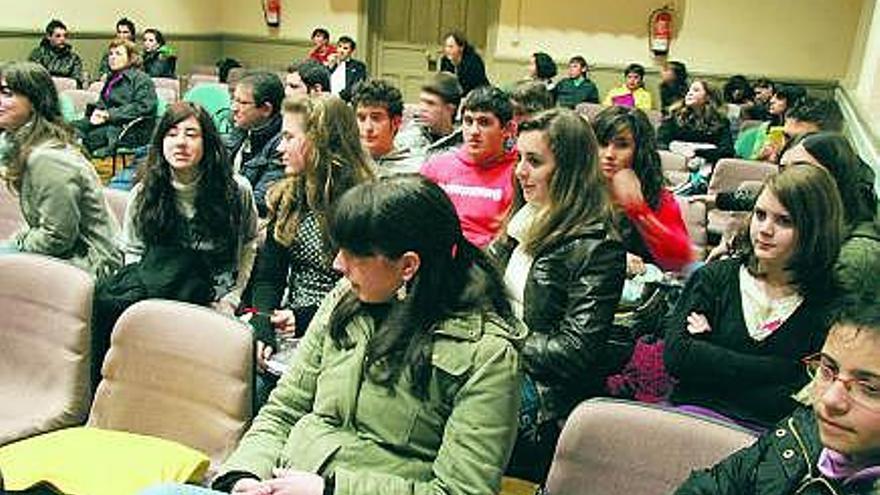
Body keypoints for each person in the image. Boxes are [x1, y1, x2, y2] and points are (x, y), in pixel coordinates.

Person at [144, 175, 524, 495]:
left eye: (354, 253)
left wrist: (330, 489)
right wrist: (244, 475)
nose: (337, 264)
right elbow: (285, 408)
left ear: (408, 265)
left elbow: (461, 491)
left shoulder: (487, 354)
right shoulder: (347, 298)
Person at [491, 109, 626, 482]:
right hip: (498, 358)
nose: (520, 171)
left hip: (544, 390)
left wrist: (498, 338)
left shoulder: (598, 246)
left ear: (568, 169)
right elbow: (478, 284)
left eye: (534, 161)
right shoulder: (524, 218)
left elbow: (575, 352)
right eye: (519, 157)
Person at [664, 164, 844, 429]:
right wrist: (780, 368)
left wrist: (710, 353)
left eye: (784, 221)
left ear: (814, 231)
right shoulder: (715, 278)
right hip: (692, 414)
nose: (765, 230)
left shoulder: (828, 303)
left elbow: (802, 395)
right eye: (760, 215)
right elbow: (677, 357)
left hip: (767, 436)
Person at [673, 291, 880, 495]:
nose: (830, 399)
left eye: (870, 388)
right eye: (827, 370)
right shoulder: (800, 431)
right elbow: (711, 486)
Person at [248, 95, 374, 403]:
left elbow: (364, 290)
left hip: (346, 324)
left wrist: (303, 318)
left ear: (320, 142)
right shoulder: (289, 196)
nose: (279, 148)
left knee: (267, 395)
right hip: (290, 324)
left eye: (290, 137)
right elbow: (269, 274)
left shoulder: (361, 203)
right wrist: (262, 322)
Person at [119, 101, 258, 315]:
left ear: (208, 142)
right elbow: (134, 252)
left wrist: (232, 298)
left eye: (191, 135)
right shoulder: (143, 193)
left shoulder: (237, 191)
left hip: (217, 296)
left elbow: (248, 244)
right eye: (171, 134)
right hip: (159, 291)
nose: (180, 143)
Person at [0, 62, 121, 276]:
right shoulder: (22, 142)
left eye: (7, 93)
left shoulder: (47, 157)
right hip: (66, 252)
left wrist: (18, 243)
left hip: (92, 263)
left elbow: (57, 238)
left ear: (35, 101)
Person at [594, 105, 694, 273]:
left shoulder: (658, 197)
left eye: (622, 145)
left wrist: (639, 211)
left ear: (639, 151)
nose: (609, 154)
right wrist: (614, 257)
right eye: (602, 144)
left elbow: (680, 261)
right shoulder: (576, 188)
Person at [421, 86, 519, 248]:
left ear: (508, 129)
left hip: (488, 262)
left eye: (484, 122)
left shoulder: (519, 173)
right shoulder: (435, 167)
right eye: (468, 121)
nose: (474, 131)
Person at [72, 38, 157, 156]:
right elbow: (103, 102)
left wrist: (109, 115)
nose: (112, 57)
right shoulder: (112, 78)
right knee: (69, 128)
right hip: (108, 121)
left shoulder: (142, 79)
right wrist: (97, 113)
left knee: (90, 139)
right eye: (111, 54)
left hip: (129, 128)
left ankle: (83, 168)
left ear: (131, 57)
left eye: (118, 54)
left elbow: (143, 107)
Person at [226, 71, 284, 216]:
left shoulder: (282, 145)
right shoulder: (241, 128)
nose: (234, 108)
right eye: (234, 100)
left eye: (243, 103)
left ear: (266, 109)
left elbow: (260, 202)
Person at [393, 71, 463, 168]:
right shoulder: (405, 138)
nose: (422, 108)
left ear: (450, 109)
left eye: (430, 103)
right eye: (422, 101)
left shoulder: (463, 145)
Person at [657, 79, 734, 164]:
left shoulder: (721, 121)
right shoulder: (673, 116)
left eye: (696, 90)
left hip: (706, 165)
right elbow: (660, 143)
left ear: (708, 97)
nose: (689, 93)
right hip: (675, 162)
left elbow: (727, 151)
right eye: (689, 90)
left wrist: (695, 152)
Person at [351, 79, 410, 173]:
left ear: (396, 122)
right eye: (362, 118)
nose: (368, 127)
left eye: (376, 118)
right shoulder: (346, 165)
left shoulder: (412, 169)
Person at [28, 19, 84, 88]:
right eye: (58, 36)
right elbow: (33, 79)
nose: (62, 39)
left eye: (65, 36)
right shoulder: (38, 54)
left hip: (66, 93)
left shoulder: (73, 58)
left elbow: (77, 82)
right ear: (49, 36)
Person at [440, 31, 490, 97]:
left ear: (461, 47)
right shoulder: (445, 61)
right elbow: (445, 83)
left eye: (451, 47)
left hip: (479, 96)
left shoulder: (473, 61)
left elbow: (475, 87)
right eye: (446, 46)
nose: (447, 50)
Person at [327, 35, 367, 102]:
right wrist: (329, 67)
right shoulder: (330, 64)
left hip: (346, 102)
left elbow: (356, 86)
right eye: (339, 47)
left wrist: (338, 96)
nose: (341, 51)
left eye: (345, 48)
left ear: (351, 51)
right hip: (327, 100)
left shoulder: (358, 66)